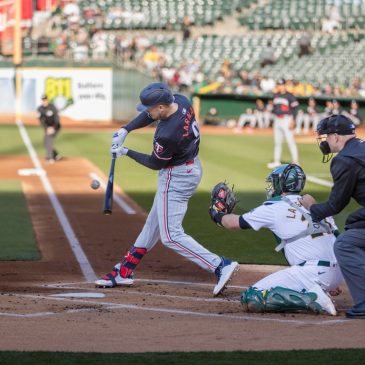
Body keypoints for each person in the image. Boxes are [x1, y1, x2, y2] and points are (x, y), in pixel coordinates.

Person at [95, 82, 239, 296]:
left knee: (171, 235)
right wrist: (126, 129)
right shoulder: (181, 100)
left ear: (161, 107)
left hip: (176, 176)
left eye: (151, 108)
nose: (147, 112)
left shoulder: (167, 133)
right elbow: (149, 115)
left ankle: (219, 265)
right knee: (152, 225)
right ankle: (125, 271)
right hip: (190, 166)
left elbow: (155, 163)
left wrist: (126, 152)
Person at [209, 164, 343, 315]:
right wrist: (332, 278)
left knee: (252, 296)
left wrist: (216, 213)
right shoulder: (313, 205)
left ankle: (312, 298)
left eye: (274, 182)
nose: (272, 187)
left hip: (313, 271)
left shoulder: (275, 207)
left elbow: (233, 223)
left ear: (281, 184)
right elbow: (338, 239)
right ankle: (317, 289)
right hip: (338, 271)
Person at [300, 114, 365, 319]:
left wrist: (312, 208)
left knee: (345, 244)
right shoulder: (361, 148)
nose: (325, 141)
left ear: (336, 136)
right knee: (355, 225)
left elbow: (336, 205)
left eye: (326, 136)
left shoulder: (344, 160)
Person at [267, 79, 299, 169]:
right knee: (277, 142)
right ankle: (277, 161)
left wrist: (293, 120)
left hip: (287, 119)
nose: (280, 86)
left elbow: (295, 108)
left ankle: (296, 162)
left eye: (281, 84)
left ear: (285, 85)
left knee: (290, 141)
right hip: (277, 120)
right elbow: (274, 108)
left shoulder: (290, 95)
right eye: (279, 84)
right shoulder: (275, 95)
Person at [37, 94, 62, 163]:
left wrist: (53, 128)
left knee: (49, 142)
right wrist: (47, 128)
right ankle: (56, 155)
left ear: (47, 100)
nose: (44, 101)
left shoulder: (52, 107)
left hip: (55, 127)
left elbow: (57, 119)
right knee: (45, 143)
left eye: (45, 100)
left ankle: (50, 158)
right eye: (43, 100)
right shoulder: (40, 109)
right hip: (47, 128)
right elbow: (41, 121)